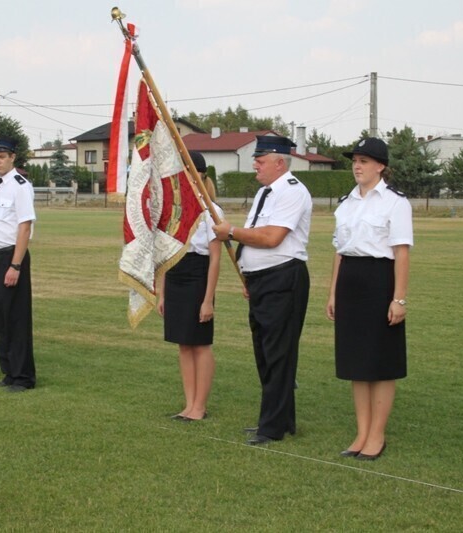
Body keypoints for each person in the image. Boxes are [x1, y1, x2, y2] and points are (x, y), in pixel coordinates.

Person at [212, 135, 312, 446]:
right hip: (261, 280)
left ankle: (272, 427)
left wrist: (231, 231)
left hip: (283, 278)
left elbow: (271, 238)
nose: (255, 163)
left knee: (278, 353)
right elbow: (257, 234)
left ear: (280, 162)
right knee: (266, 353)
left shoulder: (292, 192)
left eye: (261, 159)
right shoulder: (265, 193)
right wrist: (248, 273)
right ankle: (281, 418)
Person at [326, 137, 412, 461]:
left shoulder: (395, 202)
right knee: (356, 364)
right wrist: (333, 292)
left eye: (364, 161)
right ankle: (361, 432)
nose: (357, 166)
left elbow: (401, 253)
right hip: (350, 281)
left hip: (380, 281)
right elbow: (339, 252)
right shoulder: (346, 203)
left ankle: (377, 435)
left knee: (380, 362)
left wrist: (399, 300)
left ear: (381, 166)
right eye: (354, 161)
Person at [157, 151, 221, 422]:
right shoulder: (173, 209)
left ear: (200, 174)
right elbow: (164, 252)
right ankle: (188, 404)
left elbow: (216, 258)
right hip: (175, 275)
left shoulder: (212, 212)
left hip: (198, 276)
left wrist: (208, 300)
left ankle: (200, 406)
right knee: (183, 344)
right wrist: (161, 291)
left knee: (200, 344)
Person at [0, 134, 36, 392]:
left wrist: (15, 265)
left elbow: (24, 227)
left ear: (13, 157)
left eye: (2, 157)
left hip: (11, 255)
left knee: (15, 318)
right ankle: (8, 373)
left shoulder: (20, 185)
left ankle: (23, 376)